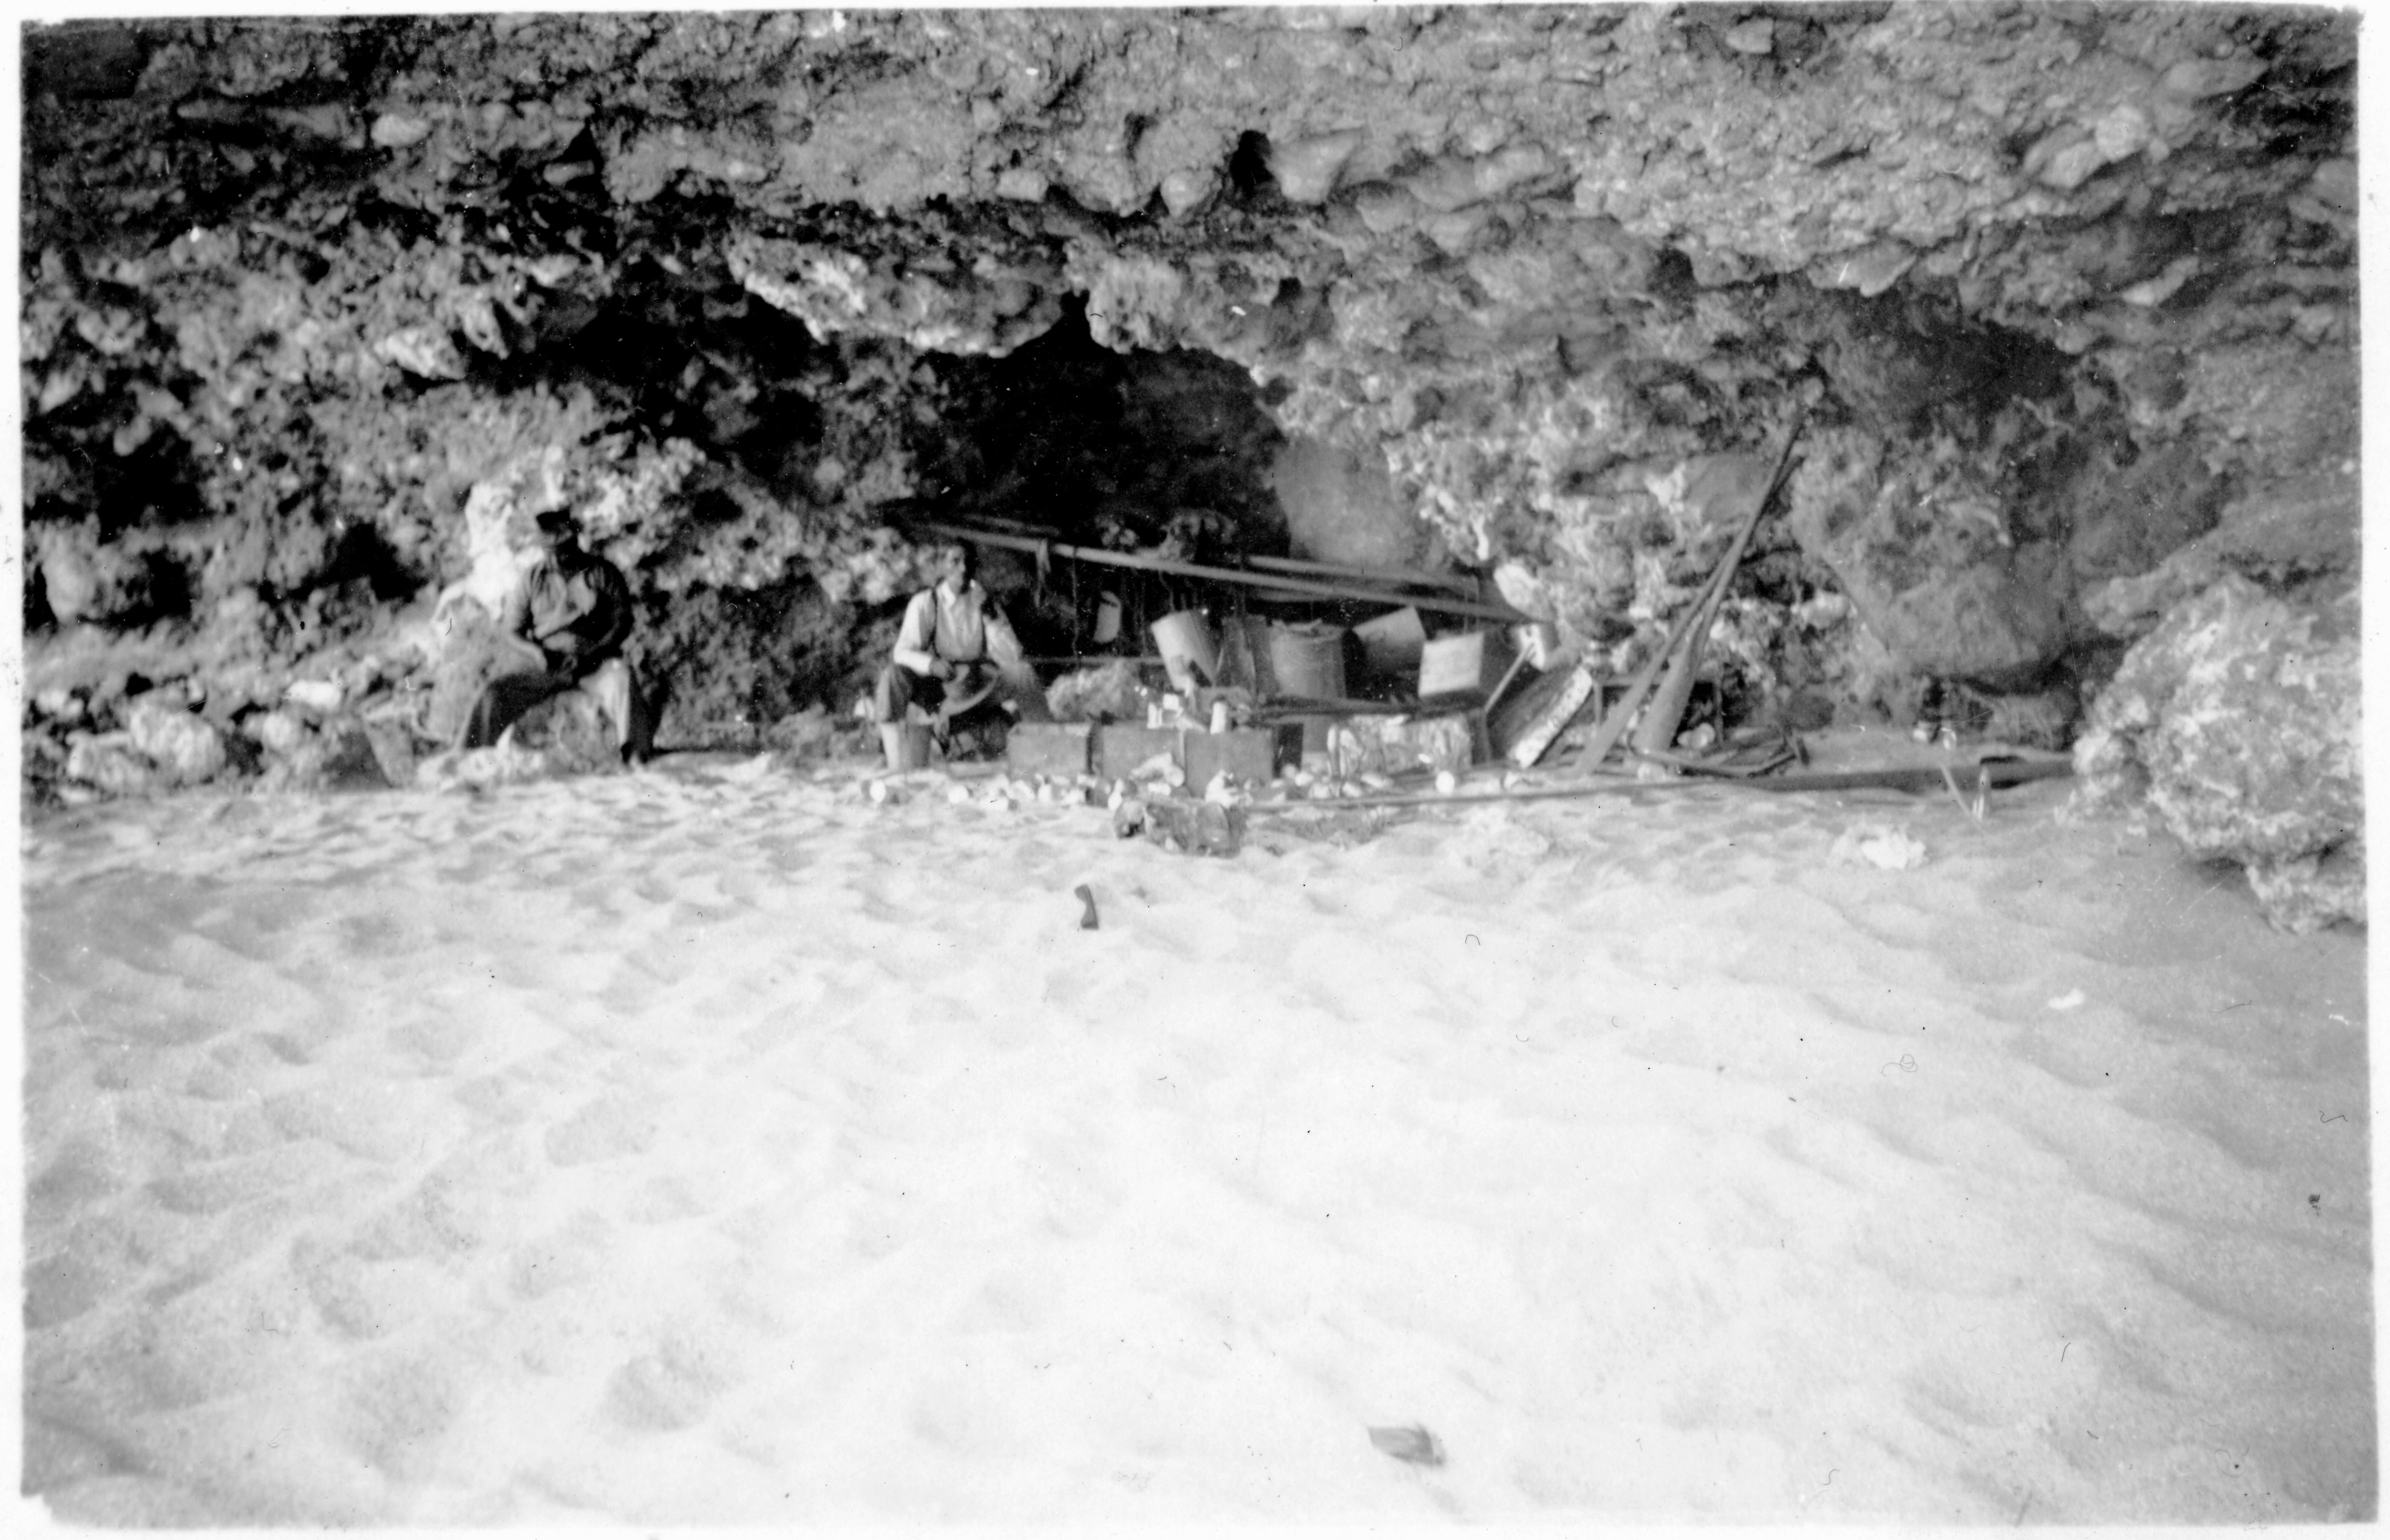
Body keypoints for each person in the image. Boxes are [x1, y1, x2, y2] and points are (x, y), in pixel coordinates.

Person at [460, 509, 652, 762]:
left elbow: (622, 622)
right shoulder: (532, 578)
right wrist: (536, 653)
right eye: (547, 552)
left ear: (575, 543)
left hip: (595, 663)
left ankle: (637, 758)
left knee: (622, 680)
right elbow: (512, 631)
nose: (553, 559)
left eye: (560, 552)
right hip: (546, 665)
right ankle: (467, 760)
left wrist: (594, 654)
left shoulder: (603, 572)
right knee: (494, 694)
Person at [872, 540, 1042, 768]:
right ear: (942, 566)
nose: (963, 569)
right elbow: (902, 652)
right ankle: (894, 760)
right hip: (938, 692)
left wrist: (990, 617)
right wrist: (931, 664)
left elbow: (1013, 656)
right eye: (955, 561)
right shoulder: (926, 603)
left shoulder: (983, 602)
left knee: (1022, 673)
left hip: (975, 686)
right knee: (893, 676)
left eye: (969, 562)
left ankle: (1049, 744)